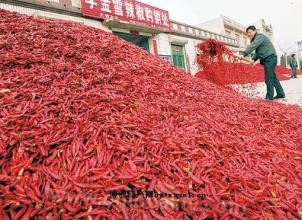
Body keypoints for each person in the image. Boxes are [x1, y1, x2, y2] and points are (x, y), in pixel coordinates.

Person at [240, 25, 285, 101]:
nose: (248, 34)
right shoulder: (257, 39)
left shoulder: (260, 37)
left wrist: (244, 53)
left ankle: (269, 97)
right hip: (270, 58)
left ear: (254, 31)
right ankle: (281, 93)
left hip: (270, 58)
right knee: (273, 77)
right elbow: (258, 52)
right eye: (247, 33)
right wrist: (254, 59)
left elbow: (253, 46)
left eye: (249, 32)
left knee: (268, 78)